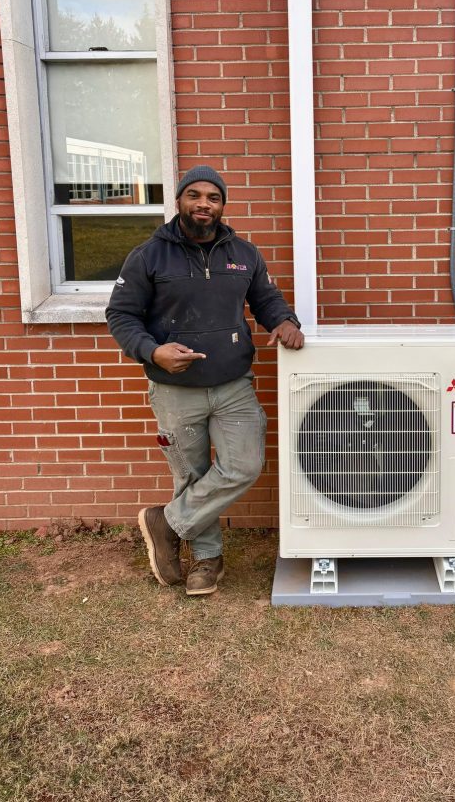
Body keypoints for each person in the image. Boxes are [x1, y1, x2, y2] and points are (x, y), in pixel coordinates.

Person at [106, 164, 304, 597]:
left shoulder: (244, 253)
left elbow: (266, 299)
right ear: (178, 201)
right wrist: (152, 350)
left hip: (233, 385)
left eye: (213, 198)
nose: (203, 204)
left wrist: (286, 321)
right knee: (191, 476)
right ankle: (207, 561)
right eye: (194, 195)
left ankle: (168, 523)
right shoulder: (148, 256)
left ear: (222, 205)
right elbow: (120, 314)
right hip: (175, 390)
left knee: (244, 465)